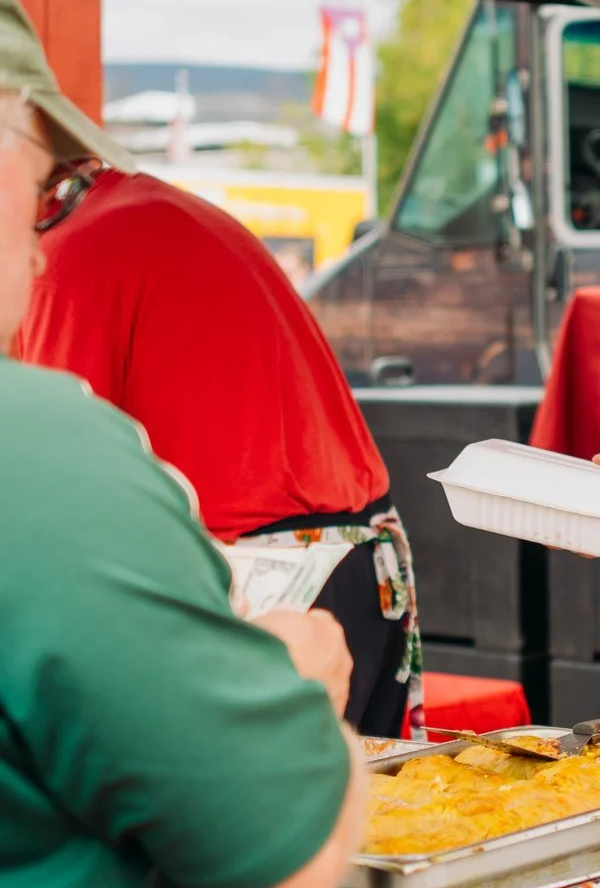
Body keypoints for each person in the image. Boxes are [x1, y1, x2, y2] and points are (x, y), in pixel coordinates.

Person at [0, 0, 366, 888]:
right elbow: (281, 857)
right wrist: (297, 680)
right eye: (30, 188)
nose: (38, 250)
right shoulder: (36, 446)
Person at [16, 107, 422, 737]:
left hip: (275, 576)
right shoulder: (136, 208)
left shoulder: (62, 258)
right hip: (357, 557)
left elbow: (46, 489)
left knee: (281, 823)